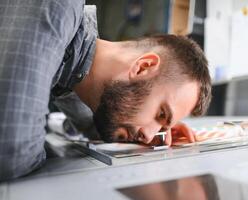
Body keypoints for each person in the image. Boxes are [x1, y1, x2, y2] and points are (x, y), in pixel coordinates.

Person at [0, 0, 211, 181]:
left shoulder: (70, 65)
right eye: (161, 114)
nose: (148, 136)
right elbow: (12, 152)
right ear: (143, 67)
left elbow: (90, 119)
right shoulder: (58, 7)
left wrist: (153, 132)